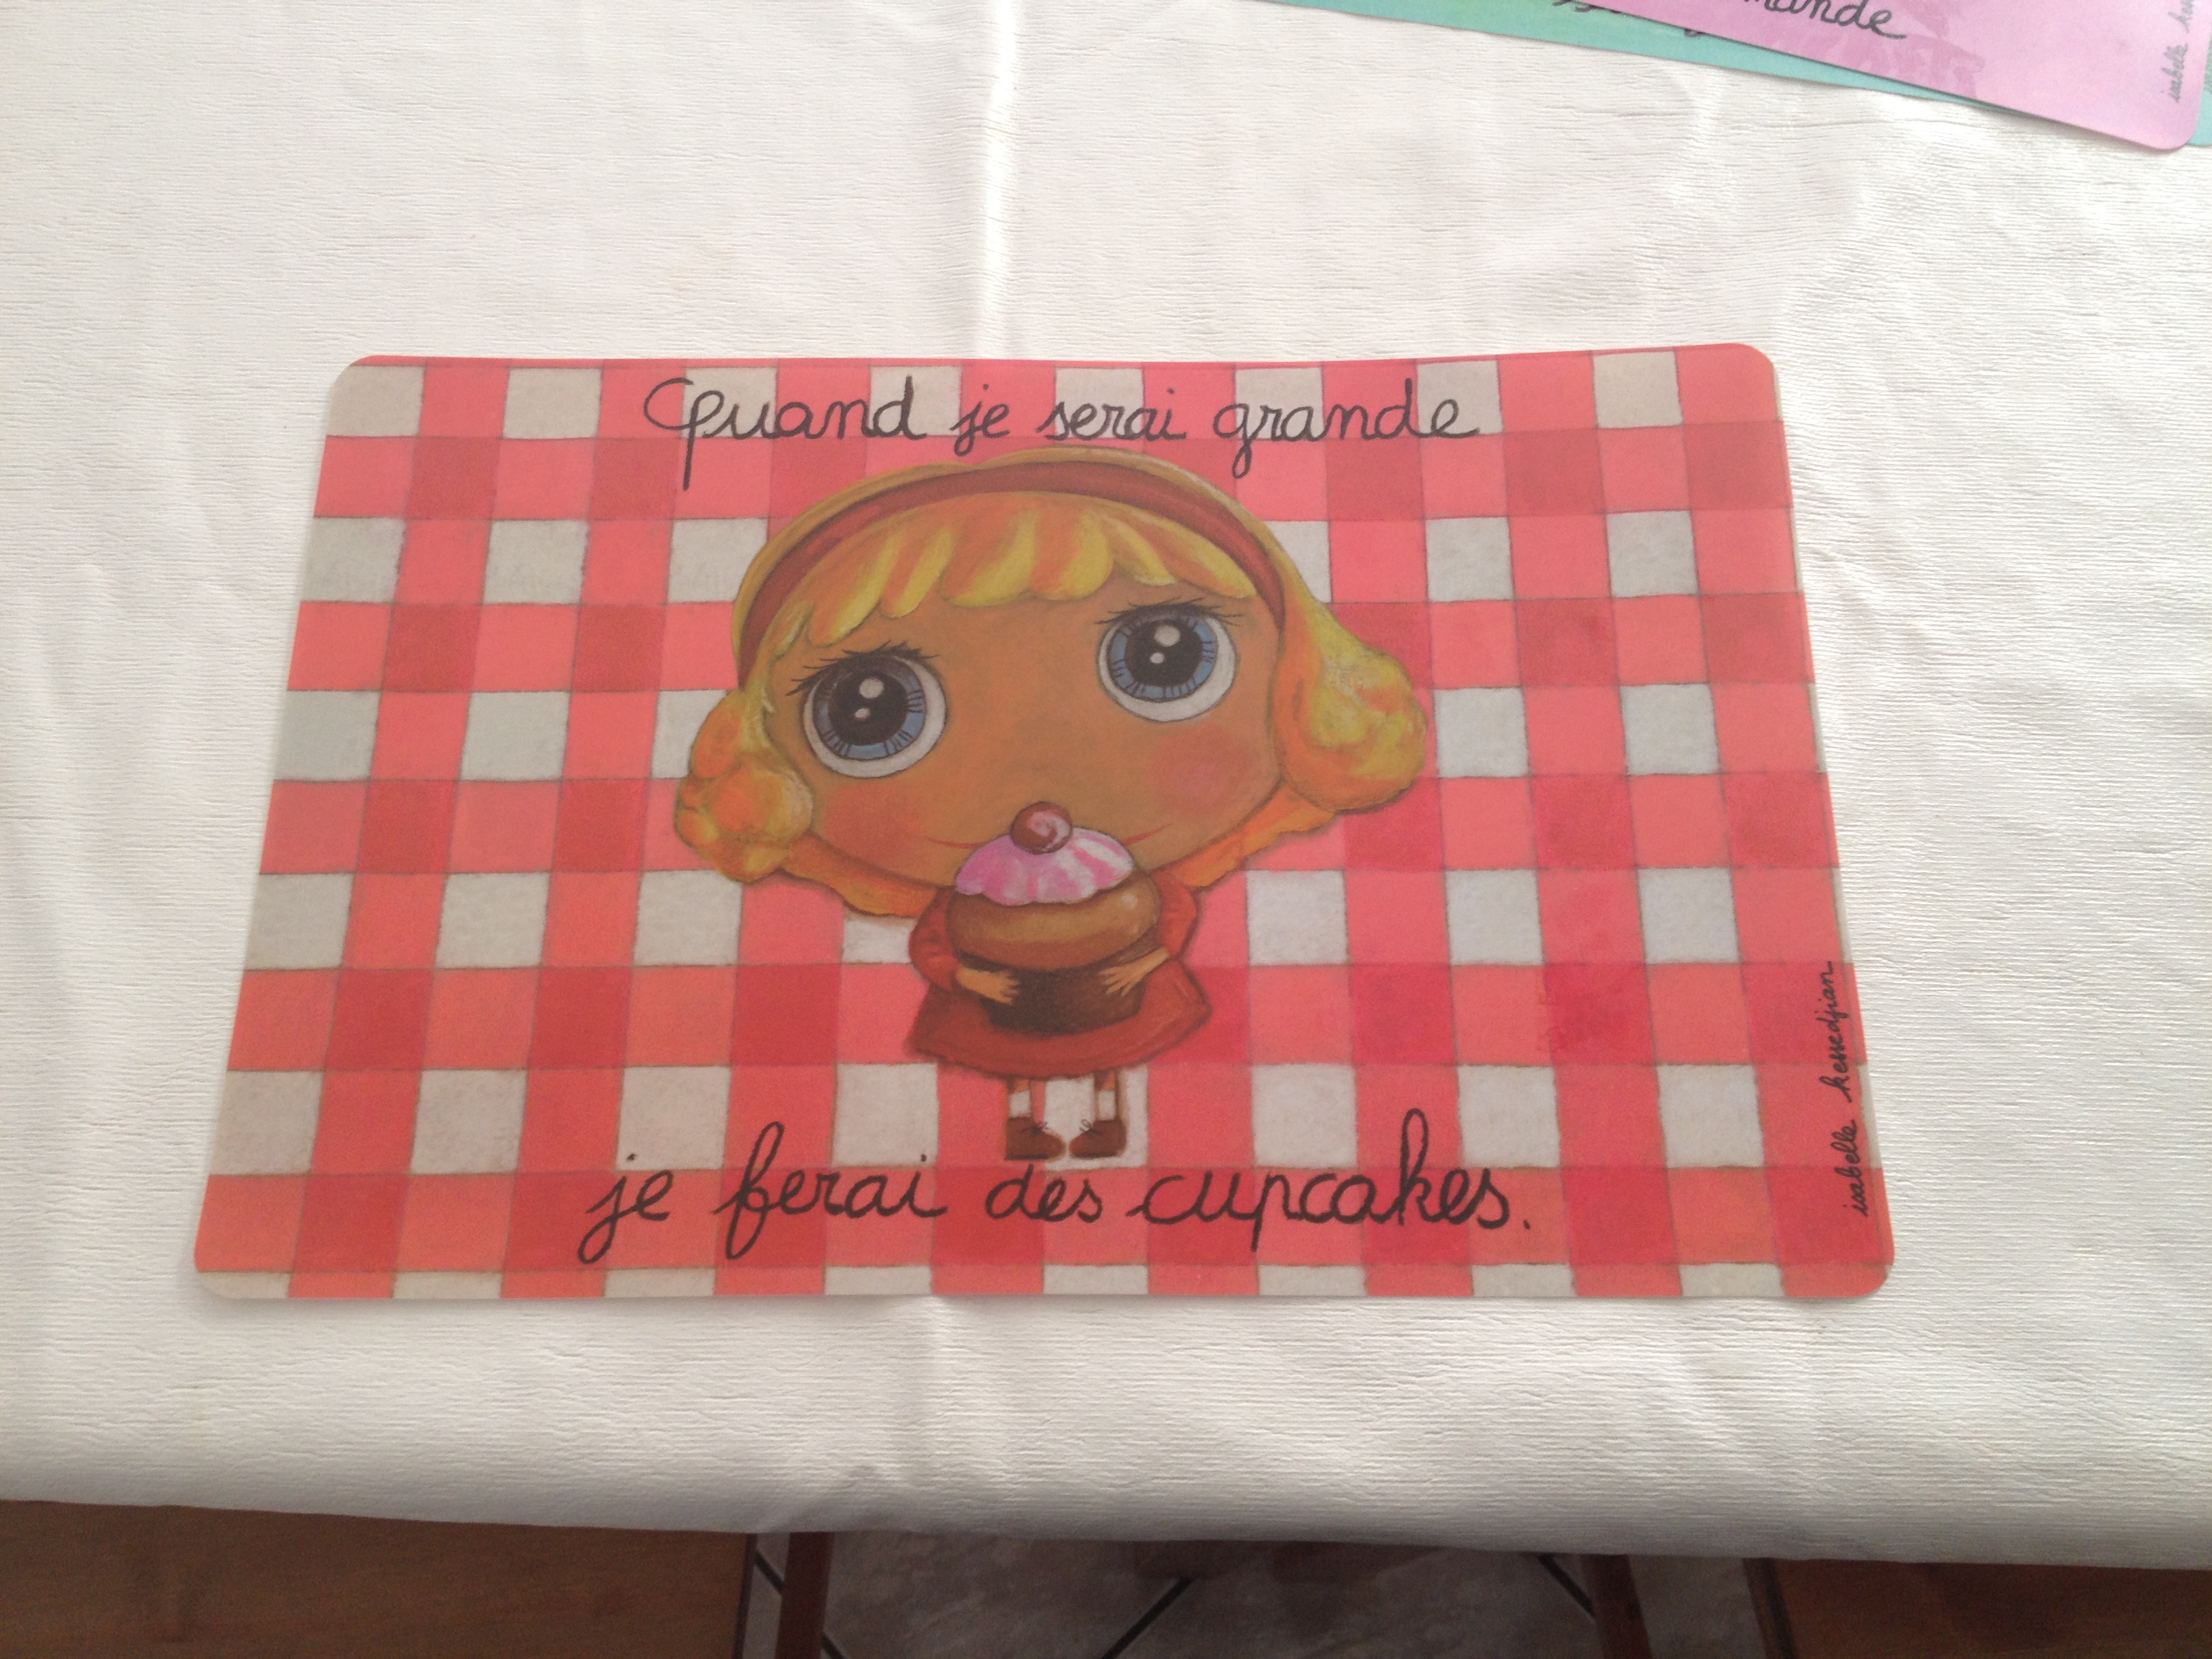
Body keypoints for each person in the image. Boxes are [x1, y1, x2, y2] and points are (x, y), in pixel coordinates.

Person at [676, 447, 1425, 1161]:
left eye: (1164, 657)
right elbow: (935, 946)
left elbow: (1170, 918)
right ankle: (1023, 1124)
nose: (1036, 767)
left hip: (1121, 998)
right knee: (1015, 1066)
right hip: (997, 1006)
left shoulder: (1133, 882)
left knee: (1109, 1060)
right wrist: (972, 980)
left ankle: (1105, 1115)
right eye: (871, 714)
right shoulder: (971, 901)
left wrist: (1146, 963)